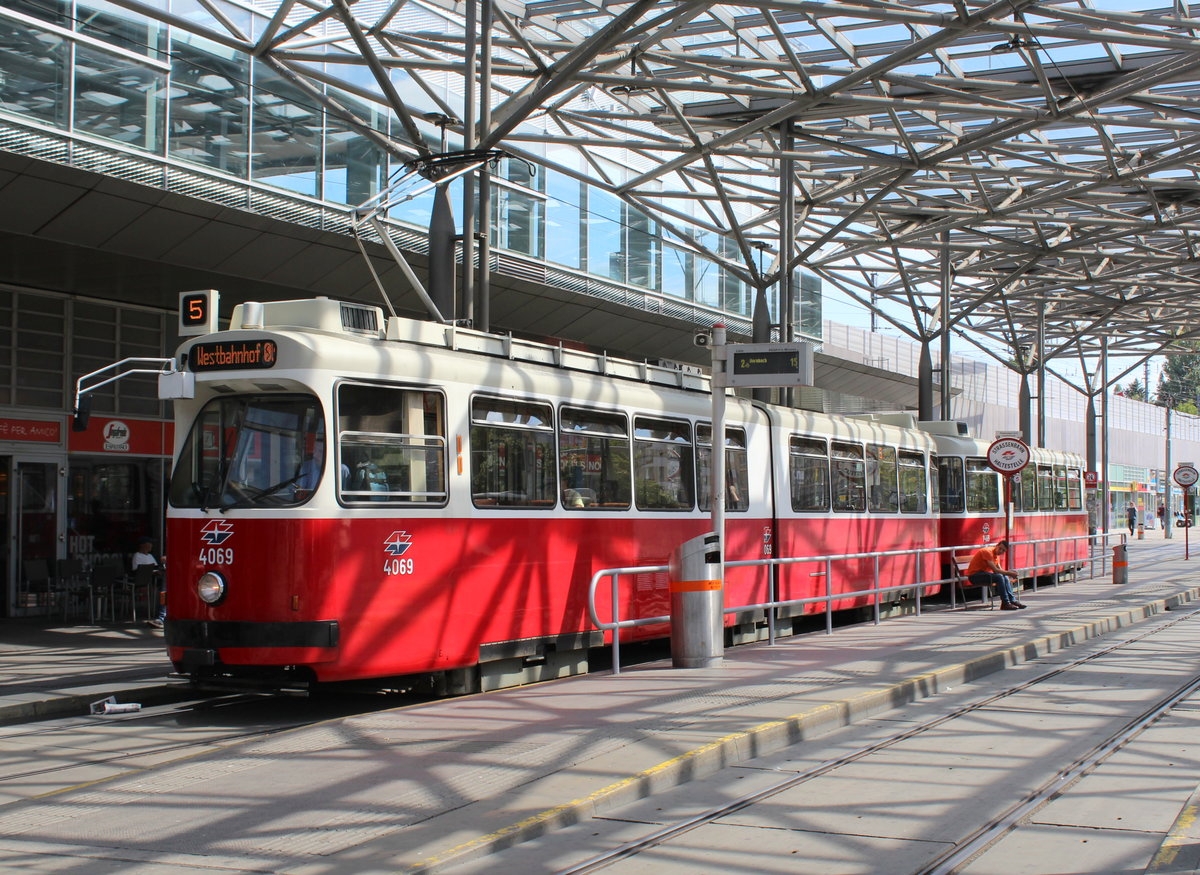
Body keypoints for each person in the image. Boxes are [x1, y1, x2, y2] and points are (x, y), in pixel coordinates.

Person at [965, 539, 1025, 611]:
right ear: (996, 546)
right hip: (974, 576)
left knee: (1004, 577)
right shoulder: (987, 552)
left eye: (1003, 551)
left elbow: (999, 570)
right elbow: (996, 570)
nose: (1000, 551)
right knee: (999, 577)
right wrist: (1010, 573)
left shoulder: (996, 556)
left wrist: (1008, 574)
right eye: (1000, 548)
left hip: (983, 574)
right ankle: (1005, 603)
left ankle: (1012, 600)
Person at [132, 539, 166, 629]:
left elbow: (155, 566)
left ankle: (163, 616)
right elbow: (138, 569)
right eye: (148, 545)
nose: (150, 547)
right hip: (143, 579)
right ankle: (162, 617)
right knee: (164, 593)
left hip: (156, 578)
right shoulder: (137, 555)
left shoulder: (150, 555)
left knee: (164, 592)